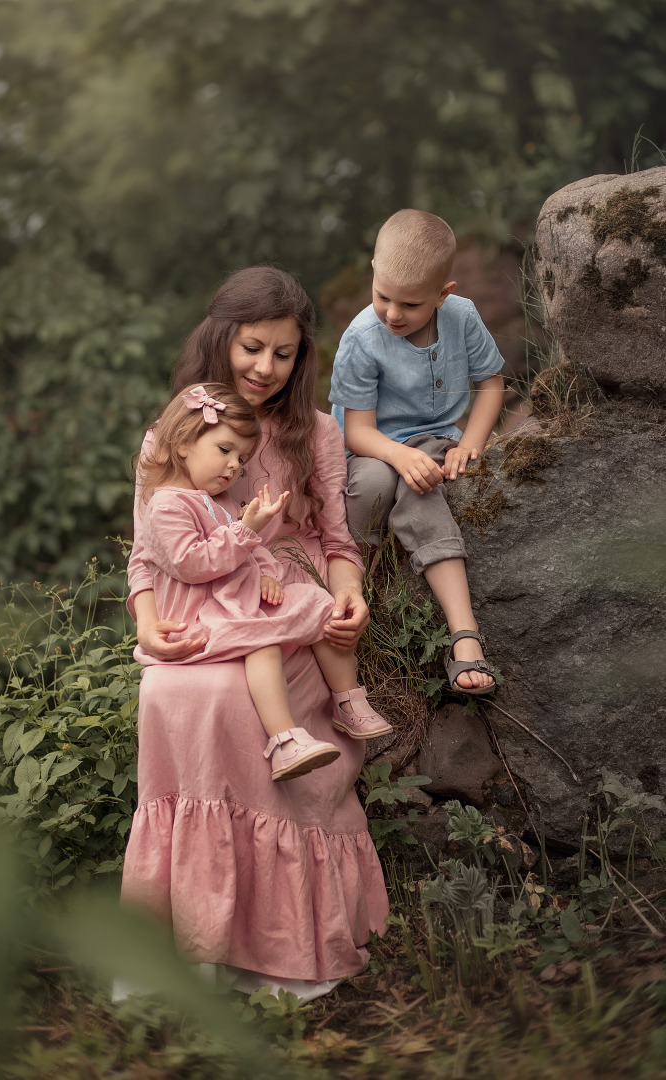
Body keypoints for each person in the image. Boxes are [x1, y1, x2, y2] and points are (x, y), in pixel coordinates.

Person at [120, 267, 389, 1002]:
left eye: (283, 354)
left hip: (284, 596)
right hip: (198, 608)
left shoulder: (316, 433)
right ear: (221, 339)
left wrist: (350, 595)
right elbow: (145, 557)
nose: (266, 368)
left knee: (239, 698)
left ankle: (275, 950)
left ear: (302, 359)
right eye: (252, 348)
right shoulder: (173, 433)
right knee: (180, 694)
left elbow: (337, 541)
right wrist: (148, 624)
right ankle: (190, 950)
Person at [135, 381, 392, 782]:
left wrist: (269, 576)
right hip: (200, 614)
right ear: (183, 444)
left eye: (242, 458)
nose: (235, 466)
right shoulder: (167, 504)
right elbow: (191, 563)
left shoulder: (220, 502)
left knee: (318, 603)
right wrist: (245, 529)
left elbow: (257, 553)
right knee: (264, 644)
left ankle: (348, 701)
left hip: (238, 600)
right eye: (225, 451)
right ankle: (285, 740)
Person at [329, 209, 505, 695]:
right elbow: (356, 432)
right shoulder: (362, 339)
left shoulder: (462, 317)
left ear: (443, 294)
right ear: (372, 271)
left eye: (409, 304)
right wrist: (401, 457)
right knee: (381, 480)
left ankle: (463, 634)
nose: (391, 313)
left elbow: (491, 383)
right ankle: (351, 585)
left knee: (420, 484)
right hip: (370, 447)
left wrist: (469, 443)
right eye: (382, 296)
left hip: (434, 438)